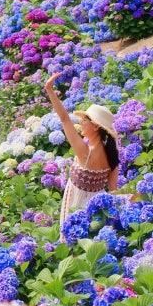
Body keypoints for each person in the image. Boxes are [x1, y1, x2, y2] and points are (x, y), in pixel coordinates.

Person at [44, 72, 119, 226]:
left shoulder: (85, 152)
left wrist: (49, 90)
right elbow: (113, 192)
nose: (80, 122)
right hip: (97, 211)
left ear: (96, 126)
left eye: (84, 120)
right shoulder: (112, 155)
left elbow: (64, 119)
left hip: (76, 205)